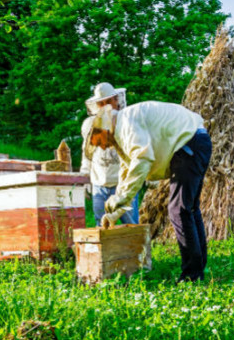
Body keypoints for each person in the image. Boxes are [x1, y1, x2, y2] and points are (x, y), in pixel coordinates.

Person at [85, 99, 212, 283]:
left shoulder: (126, 124)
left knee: (179, 210)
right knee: (189, 209)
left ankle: (192, 276)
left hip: (188, 144)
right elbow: (127, 177)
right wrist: (114, 214)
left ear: (104, 130)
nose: (103, 147)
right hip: (196, 142)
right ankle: (198, 269)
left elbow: (143, 160)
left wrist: (120, 198)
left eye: (101, 142)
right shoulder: (124, 131)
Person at [81, 83, 139, 225]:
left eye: (108, 102)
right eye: (101, 103)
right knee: (101, 228)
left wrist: (150, 176)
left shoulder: (127, 121)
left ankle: (135, 249)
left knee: (132, 227)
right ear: (97, 105)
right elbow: (87, 153)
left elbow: (139, 151)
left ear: (116, 100)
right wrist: (84, 178)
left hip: (124, 186)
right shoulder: (90, 124)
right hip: (99, 185)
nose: (106, 106)